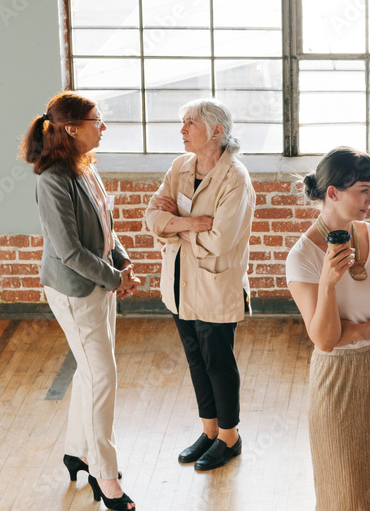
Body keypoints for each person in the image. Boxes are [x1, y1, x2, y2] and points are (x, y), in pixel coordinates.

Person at [23, 92, 141, 511]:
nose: (103, 126)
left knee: (92, 374)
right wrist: (114, 279)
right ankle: (105, 476)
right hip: (76, 292)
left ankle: (77, 451)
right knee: (102, 377)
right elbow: (70, 251)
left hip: (99, 285)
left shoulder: (85, 167)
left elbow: (104, 226)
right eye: (97, 119)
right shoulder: (53, 179)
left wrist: (122, 263)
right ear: (72, 128)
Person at [286, 147, 370, 510]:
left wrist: (358, 332)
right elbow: (326, 341)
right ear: (333, 193)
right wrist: (328, 284)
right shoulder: (302, 256)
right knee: (344, 486)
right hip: (338, 379)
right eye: (364, 190)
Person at [144, 99, 254, 472]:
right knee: (195, 359)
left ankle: (229, 437)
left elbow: (220, 240)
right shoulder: (180, 167)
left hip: (213, 286)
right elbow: (152, 217)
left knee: (218, 362)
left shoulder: (235, 179)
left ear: (216, 131)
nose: (182, 130)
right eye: (183, 123)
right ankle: (209, 431)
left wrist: (175, 223)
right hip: (178, 283)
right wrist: (191, 223)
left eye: (190, 123)